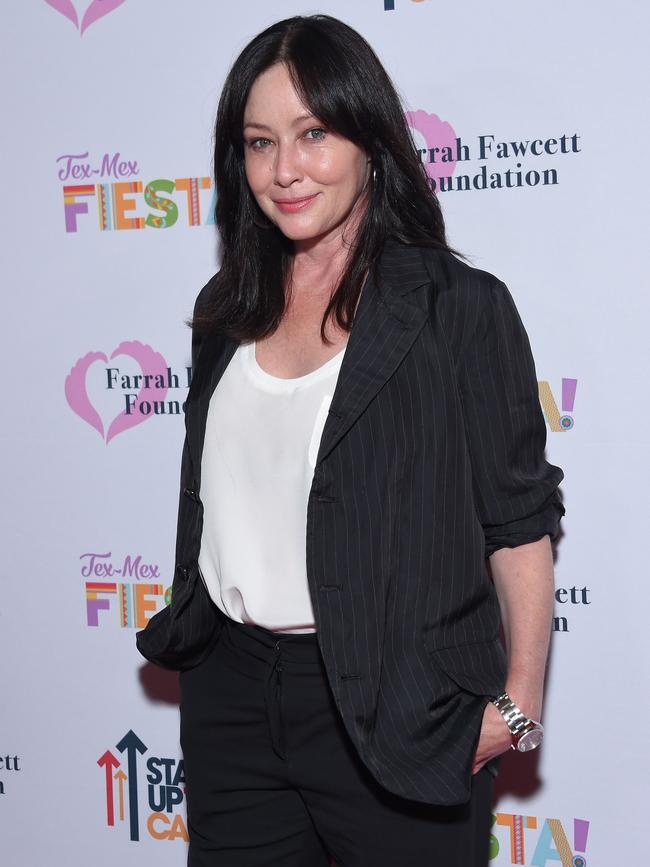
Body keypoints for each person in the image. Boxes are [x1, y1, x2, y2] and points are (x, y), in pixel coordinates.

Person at [136, 13, 565, 867]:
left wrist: (516, 704)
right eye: (259, 143)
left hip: (402, 700)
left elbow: (518, 524)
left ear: (370, 138)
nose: (284, 169)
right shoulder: (228, 309)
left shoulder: (456, 309)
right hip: (233, 693)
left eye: (314, 133)